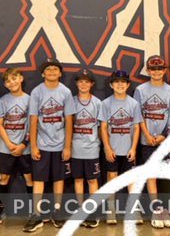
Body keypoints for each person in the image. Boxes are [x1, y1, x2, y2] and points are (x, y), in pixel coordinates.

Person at [24, 59, 73, 232]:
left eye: (55, 69)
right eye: (48, 69)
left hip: (59, 144)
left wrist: (67, 146)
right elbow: (33, 119)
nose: (52, 71)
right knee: (39, 179)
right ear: (42, 73)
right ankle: (36, 214)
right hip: (42, 144)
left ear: (60, 73)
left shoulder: (65, 92)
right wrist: (34, 146)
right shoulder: (37, 92)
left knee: (59, 179)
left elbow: (69, 120)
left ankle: (57, 212)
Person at [134, 55, 170, 228]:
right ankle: (156, 210)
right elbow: (138, 115)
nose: (156, 72)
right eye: (153, 69)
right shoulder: (140, 90)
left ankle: (165, 210)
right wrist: (147, 135)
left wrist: (164, 135)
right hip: (147, 141)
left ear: (165, 70)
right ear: (148, 71)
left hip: (164, 140)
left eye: (160, 69)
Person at [99, 70, 142, 222]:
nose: (120, 85)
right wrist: (107, 148)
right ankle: (111, 210)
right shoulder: (105, 103)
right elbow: (103, 127)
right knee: (112, 177)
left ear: (128, 85)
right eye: (116, 82)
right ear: (111, 85)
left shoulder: (134, 103)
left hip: (128, 149)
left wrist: (133, 148)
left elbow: (136, 127)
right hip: (113, 149)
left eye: (123, 82)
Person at [0, 68, 32, 209]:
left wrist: (23, 144)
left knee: (29, 178)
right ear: (5, 85)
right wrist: (9, 144)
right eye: (8, 81)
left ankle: (33, 210)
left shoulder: (30, 100)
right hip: (6, 147)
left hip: (25, 148)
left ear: (21, 78)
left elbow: (33, 125)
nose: (12, 82)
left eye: (14, 78)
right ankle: (0, 211)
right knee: (4, 178)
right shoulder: (2, 101)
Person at [70, 69, 102, 228]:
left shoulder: (97, 103)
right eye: (80, 81)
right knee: (78, 179)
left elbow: (101, 127)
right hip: (75, 148)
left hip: (92, 148)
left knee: (92, 180)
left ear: (92, 84)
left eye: (86, 81)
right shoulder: (71, 102)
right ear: (76, 83)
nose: (83, 84)